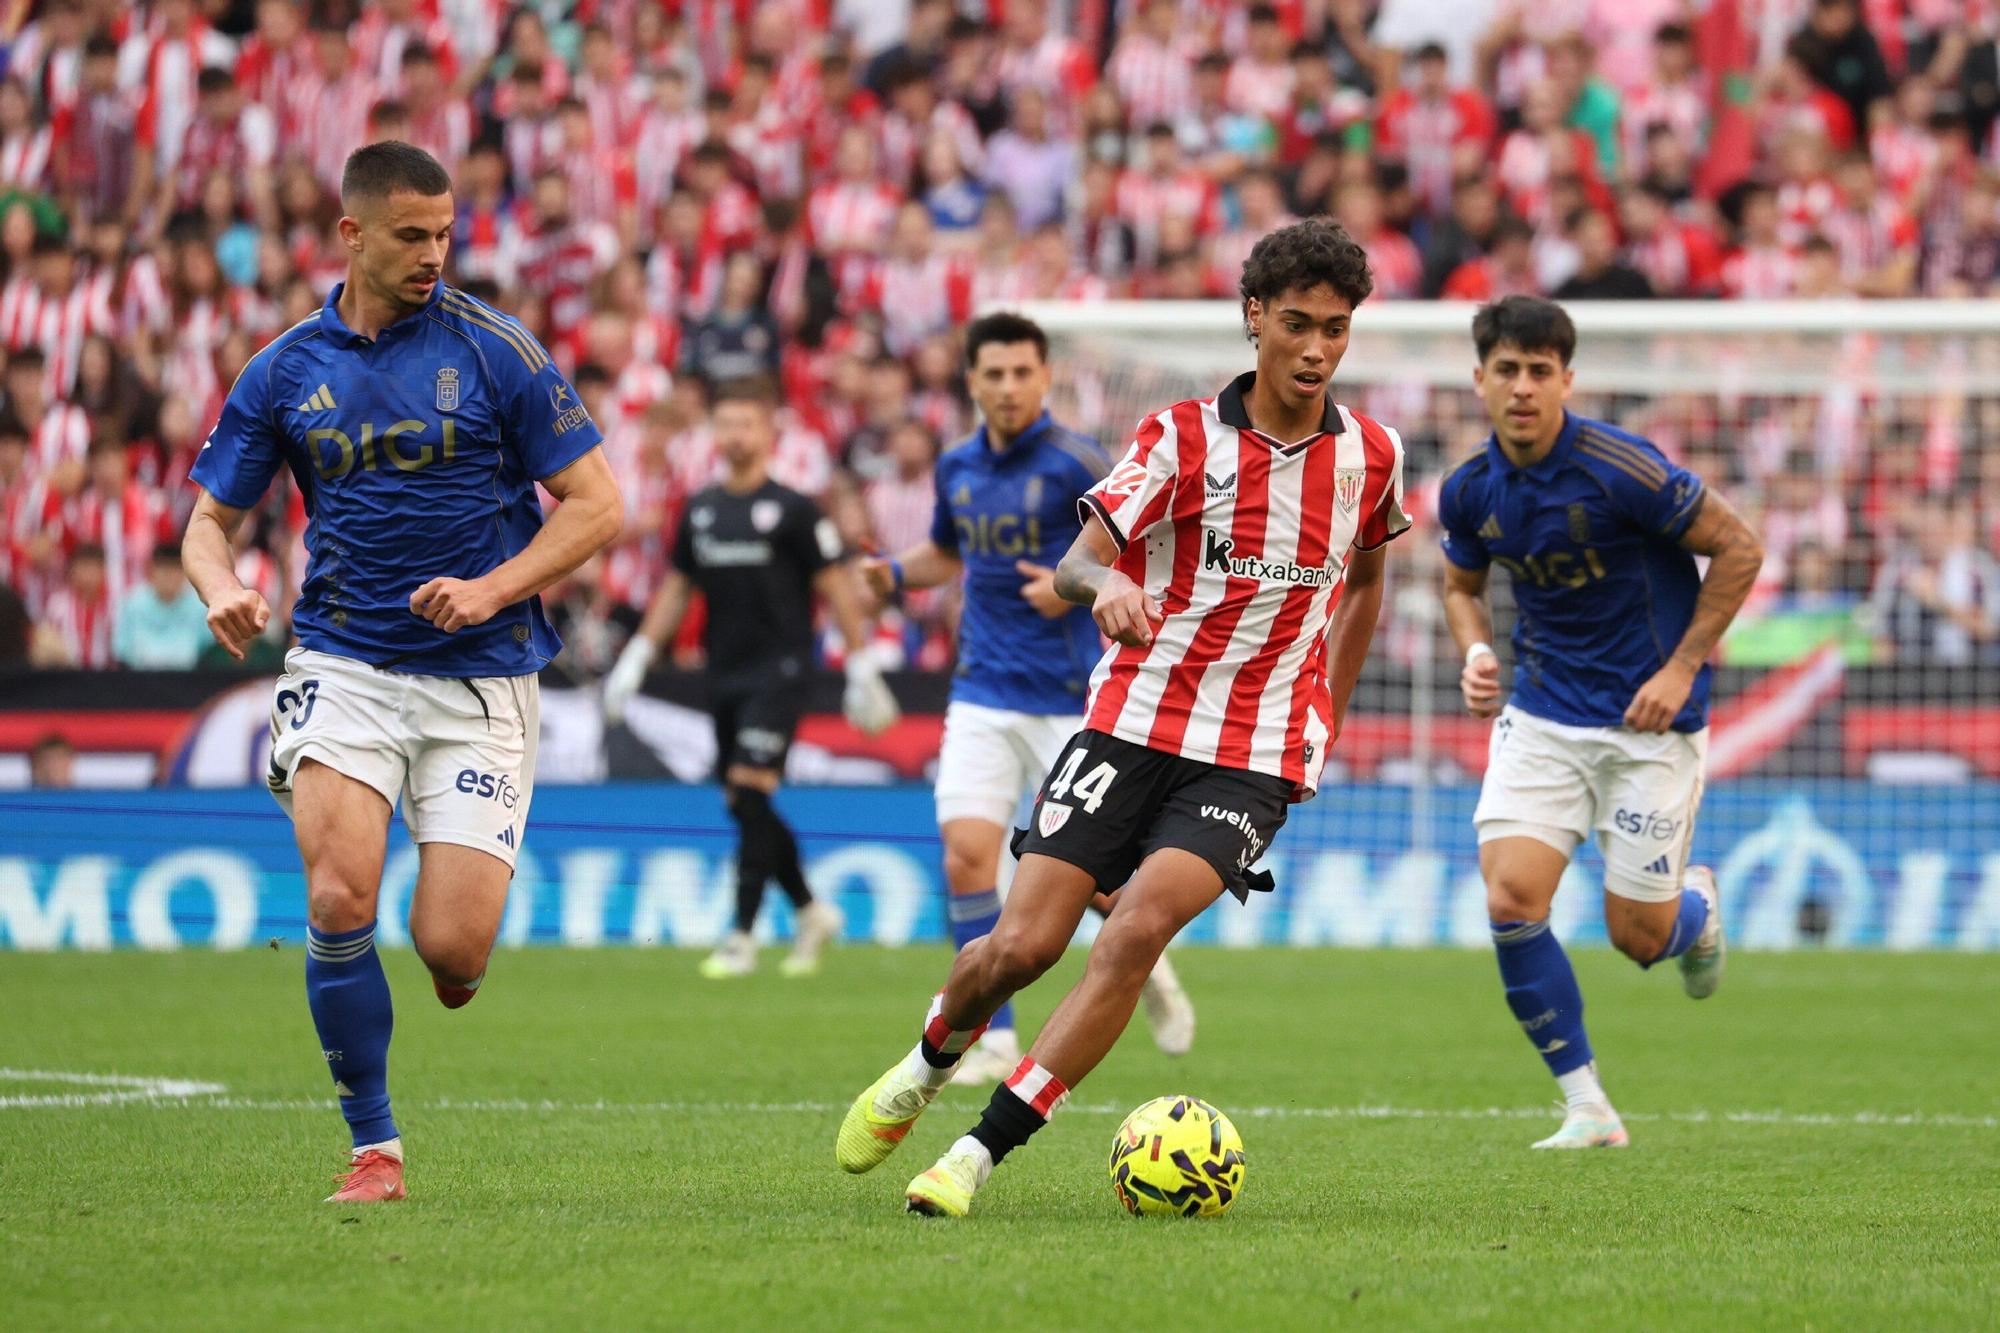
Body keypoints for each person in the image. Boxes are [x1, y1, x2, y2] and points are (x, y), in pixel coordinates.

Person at [837, 218, 1412, 1217]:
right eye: (1295, 324)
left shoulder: (1370, 454)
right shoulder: (1179, 437)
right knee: (1018, 949)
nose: (1316, 348)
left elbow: (1366, 580)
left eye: (1335, 327)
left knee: (1135, 931)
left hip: (1250, 753)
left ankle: (974, 1155)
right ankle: (929, 1060)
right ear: (1252, 320)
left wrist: (1327, 704)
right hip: (1129, 721)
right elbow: (1076, 557)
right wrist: (1100, 586)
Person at [182, 142, 623, 1204]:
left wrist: (492, 588)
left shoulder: (494, 349)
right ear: (352, 234)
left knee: (451, 950)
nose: (434, 254)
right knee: (338, 893)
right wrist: (220, 588)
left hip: (480, 675)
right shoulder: (284, 368)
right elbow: (206, 525)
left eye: (444, 233)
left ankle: (453, 961)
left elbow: (602, 505)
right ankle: (373, 1147)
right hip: (344, 660)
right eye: (411, 235)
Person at [1437, 296, 1764, 1149]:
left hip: (1650, 724)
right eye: (1506, 369)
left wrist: (1682, 665)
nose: (1522, 387)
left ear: (1566, 381)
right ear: (1480, 380)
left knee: (1639, 937)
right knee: (1511, 898)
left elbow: (1740, 546)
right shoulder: (1471, 488)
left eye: (1539, 371)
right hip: (1543, 715)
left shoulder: (1623, 468)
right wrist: (1475, 653)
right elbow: (1461, 588)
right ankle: (1587, 1104)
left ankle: (1696, 907)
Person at [856, 310, 1196, 1085]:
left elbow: (1143, 551)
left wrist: (1072, 586)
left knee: (1098, 882)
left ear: (1045, 377)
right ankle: (994, 1037)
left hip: (1072, 700)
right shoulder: (955, 468)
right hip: (980, 689)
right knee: (967, 855)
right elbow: (950, 550)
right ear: (972, 382)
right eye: (993, 375)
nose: (1008, 387)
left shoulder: (1080, 459)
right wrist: (897, 575)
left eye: (1021, 373)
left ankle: (1152, 971)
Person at [601, 377, 898, 979]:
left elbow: (836, 586)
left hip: (782, 672)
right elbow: (678, 586)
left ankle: (741, 936)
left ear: (768, 434)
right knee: (744, 800)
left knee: (749, 786)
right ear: (713, 432)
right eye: (725, 423)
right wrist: (636, 657)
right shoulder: (703, 510)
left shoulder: (792, 509)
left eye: (746, 424)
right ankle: (812, 909)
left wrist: (862, 667)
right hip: (724, 673)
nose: (735, 435)